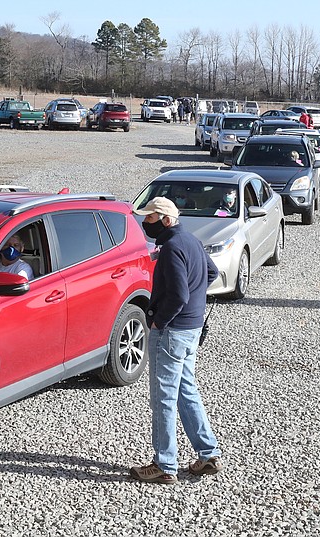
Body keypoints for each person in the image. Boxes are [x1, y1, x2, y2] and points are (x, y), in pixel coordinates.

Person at [130, 197, 222, 484]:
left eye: (150, 219)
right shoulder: (191, 240)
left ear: (165, 220)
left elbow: (179, 295)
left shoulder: (171, 248)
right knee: (186, 390)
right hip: (191, 329)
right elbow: (212, 272)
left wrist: (160, 320)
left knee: (163, 398)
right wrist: (195, 305)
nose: (146, 223)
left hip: (171, 332)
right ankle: (207, 454)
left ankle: (164, 465)